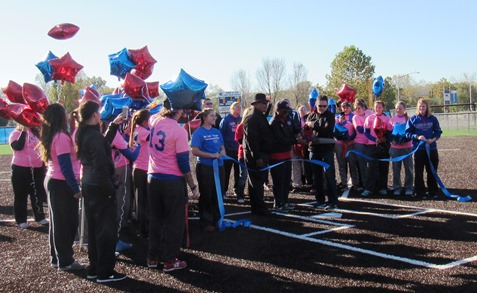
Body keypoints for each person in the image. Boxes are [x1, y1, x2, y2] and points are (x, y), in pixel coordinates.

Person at [76, 101, 127, 282]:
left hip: (89, 185)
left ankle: (94, 268)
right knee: (106, 231)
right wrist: (110, 189)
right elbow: (101, 165)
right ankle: (105, 271)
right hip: (99, 186)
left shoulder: (83, 133)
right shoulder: (93, 136)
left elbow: (102, 145)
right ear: (95, 115)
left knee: (94, 229)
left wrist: (113, 126)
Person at [147, 102, 199, 272]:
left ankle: (153, 257)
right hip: (171, 180)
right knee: (174, 221)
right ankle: (169, 260)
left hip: (153, 177)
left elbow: (149, 116)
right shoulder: (178, 131)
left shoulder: (154, 120)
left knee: (155, 219)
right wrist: (192, 186)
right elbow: (183, 163)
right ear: (178, 109)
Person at [39, 104, 83, 271]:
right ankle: (65, 260)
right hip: (61, 182)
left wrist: (73, 123)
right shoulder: (61, 137)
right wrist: (75, 188)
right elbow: (66, 167)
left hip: (54, 180)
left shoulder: (54, 135)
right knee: (65, 223)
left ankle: (57, 258)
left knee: (57, 223)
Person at [191, 108, 226, 231]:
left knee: (218, 192)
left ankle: (218, 218)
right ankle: (206, 221)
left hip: (219, 166)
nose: (214, 118)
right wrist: (211, 155)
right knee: (206, 194)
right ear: (204, 118)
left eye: (215, 116)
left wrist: (221, 153)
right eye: (212, 116)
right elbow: (195, 151)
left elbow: (223, 148)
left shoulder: (217, 132)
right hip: (205, 167)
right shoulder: (198, 133)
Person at [9, 124, 48, 229]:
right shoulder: (15, 134)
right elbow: (18, 146)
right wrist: (24, 131)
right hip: (20, 169)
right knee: (21, 195)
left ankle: (39, 217)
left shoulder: (36, 135)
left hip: (37, 168)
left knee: (36, 194)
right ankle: (21, 220)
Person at [405, 98, 442, 200]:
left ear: (427, 107)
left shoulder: (433, 119)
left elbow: (438, 132)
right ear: (417, 107)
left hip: (432, 149)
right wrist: (417, 137)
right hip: (419, 150)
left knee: (432, 171)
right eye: (420, 106)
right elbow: (407, 133)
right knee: (419, 171)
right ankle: (419, 191)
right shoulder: (413, 119)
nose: (422, 108)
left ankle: (433, 191)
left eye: (424, 106)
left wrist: (433, 139)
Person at [306, 95, 338, 210]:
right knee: (317, 176)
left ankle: (333, 201)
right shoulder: (310, 115)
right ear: (316, 104)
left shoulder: (330, 116)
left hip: (327, 149)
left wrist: (314, 125)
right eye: (320, 106)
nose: (322, 108)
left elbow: (328, 130)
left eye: (325, 106)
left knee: (329, 175)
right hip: (313, 149)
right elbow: (306, 131)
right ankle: (319, 200)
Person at [243, 93, 273, 216]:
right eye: (263, 103)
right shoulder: (252, 118)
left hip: (261, 153)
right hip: (256, 155)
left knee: (257, 182)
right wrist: (257, 157)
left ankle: (257, 207)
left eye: (266, 104)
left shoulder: (259, 115)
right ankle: (258, 207)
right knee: (256, 182)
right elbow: (252, 140)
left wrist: (269, 104)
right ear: (257, 104)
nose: (265, 106)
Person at [269, 100, 302, 212]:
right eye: (284, 111)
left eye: (288, 111)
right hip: (277, 156)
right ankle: (278, 203)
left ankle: (285, 201)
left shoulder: (288, 118)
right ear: (278, 110)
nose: (287, 113)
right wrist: (296, 140)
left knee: (287, 180)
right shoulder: (274, 122)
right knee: (278, 181)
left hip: (287, 154)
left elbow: (295, 129)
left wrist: (304, 128)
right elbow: (280, 139)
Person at [362, 100, 392, 197]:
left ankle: (382, 187)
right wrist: (375, 139)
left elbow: (390, 132)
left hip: (384, 146)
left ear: (383, 108)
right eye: (376, 107)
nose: (377, 109)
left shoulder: (387, 118)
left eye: (379, 107)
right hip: (372, 146)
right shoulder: (369, 118)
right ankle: (369, 188)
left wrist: (384, 138)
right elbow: (365, 132)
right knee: (371, 168)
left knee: (383, 167)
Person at [129, 109, 151, 238]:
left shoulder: (136, 130)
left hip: (139, 168)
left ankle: (142, 227)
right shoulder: (143, 132)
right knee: (143, 201)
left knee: (141, 200)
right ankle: (143, 229)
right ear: (144, 121)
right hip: (142, 169)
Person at [390, 101, 414, 196]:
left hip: (407, 148)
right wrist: (392, 140)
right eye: (397, 108)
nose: (398, 110)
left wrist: (405, 140)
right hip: (395, 148)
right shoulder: (391, 119)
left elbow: (411, 132)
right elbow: (388, 133)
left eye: (400, 108)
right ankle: (397, 187)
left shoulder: (409, 120)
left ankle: (409, 187)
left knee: (408, 168)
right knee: (396, 169)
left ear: (404, 109)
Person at [334, 101, 359, 191]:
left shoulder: (354, 117)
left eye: (347, 107)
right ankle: (344, 183)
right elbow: (335, 130)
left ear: (350, 107)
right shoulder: (337, 117)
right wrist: (339, 123)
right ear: (341, 108)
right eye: (343, 107)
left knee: (352, 164)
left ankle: (355, 184)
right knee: (342, 164)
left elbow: (357, 129)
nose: (345, 109)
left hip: (351, 143)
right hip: (340, 144)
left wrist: (351, 137)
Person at [219, 102, 241, 198]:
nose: (239, 109)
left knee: (238, 171)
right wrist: (223, 149)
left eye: (240, 107)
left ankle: (237, 190)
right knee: (226, 172)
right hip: (228, 150)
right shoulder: (226, 120)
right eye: (237, 107)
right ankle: (223, 191)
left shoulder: (241, 119)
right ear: (232, 109)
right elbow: (221, 136)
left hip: (239, 150)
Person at [352, 98, 371, 192]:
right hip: (360, 144)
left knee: (371, 165)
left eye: (359, 108)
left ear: (363, 108)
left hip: (369, 143)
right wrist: (367, 127)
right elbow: (359, 129)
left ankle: (372, 183)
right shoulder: (355, 117)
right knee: (362, 165)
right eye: (356, 108)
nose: (357, 110)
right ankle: (365, 184)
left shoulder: (368, 115)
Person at [234, 106, 252, 203]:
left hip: (252, 154)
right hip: (243, 154)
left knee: (252, 175)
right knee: (243, 175)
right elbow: (239, 141)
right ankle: (240, 194)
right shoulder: (240, 126)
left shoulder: (254, 125)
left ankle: (251, 194)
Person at [291, 105, 308, 192]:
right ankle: (297, 184)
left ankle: (309, 182)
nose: (303, 111)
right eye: (301, 109)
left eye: (305, 109)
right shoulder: (295, 119)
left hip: (306, 144)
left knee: (306, 164)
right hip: (296, 145)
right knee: (296, 164)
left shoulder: (308, 119)